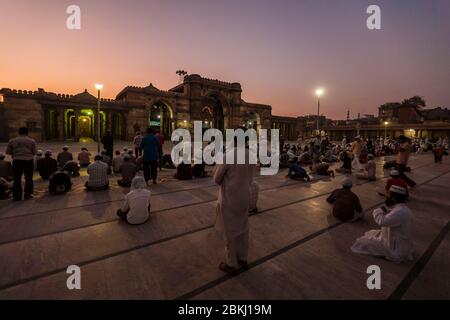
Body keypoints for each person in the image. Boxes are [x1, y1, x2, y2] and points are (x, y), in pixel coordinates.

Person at [214, 138, 255, 275]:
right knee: (243, 228)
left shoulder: (229, 155)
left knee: (229, 230)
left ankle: (231, 263)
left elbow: (216, 179)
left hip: (230, 198)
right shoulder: (251, 155)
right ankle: (243, 259)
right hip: (245, 196)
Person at [351, 185, 413, 263]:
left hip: (394, 248)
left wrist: (379, 210)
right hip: (396, 239)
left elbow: (381, 221)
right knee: (370, 233)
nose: (387, 197)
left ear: (394, 198)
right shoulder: (403, 209)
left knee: (360, 242)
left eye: (389, 195)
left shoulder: (399, 212)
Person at [6, 127, 37, 201]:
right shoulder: (32, 141)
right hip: (28, 161)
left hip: (17, 161)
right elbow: (34, 152)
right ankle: (28, 195)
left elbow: (8, 152)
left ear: (19, 132)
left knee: (17, 179)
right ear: (27, 132)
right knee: (29, 178)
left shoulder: (12, 141)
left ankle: (17, 196)